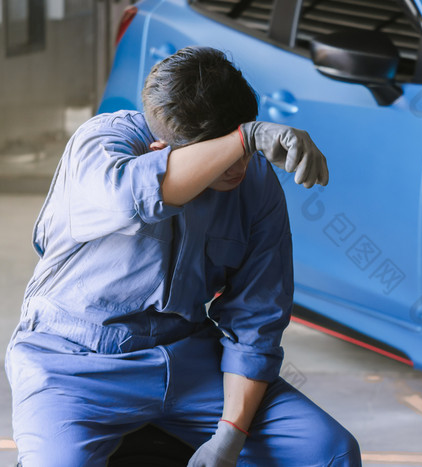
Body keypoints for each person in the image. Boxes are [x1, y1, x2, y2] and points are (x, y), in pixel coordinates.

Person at [5, 46, 361, 466]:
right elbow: (131, 198)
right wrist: (243, 139)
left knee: (330, 452)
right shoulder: (101, 144)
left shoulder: (257, 184)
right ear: (160, 145)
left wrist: (230, 435)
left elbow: (256, 317)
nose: (236, 164)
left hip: (187, 357)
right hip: (71, 363)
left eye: (240, 140)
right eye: (220, 149)